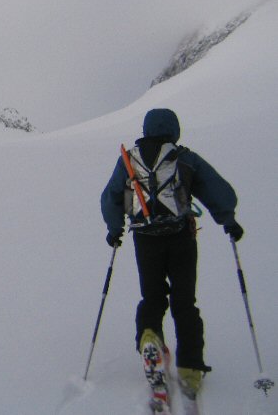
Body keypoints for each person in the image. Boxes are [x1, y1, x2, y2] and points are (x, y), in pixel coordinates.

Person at [100, 108, 244, 395]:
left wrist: (114, 229)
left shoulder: (129, 160)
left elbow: (111, 197)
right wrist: (228, 219)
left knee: (152, 296)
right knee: (184, 301)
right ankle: (190, 368)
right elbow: (217, 190)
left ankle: (149, 338)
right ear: (174, 129)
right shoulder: (184, 158)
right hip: (181, 238)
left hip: (145, 238)